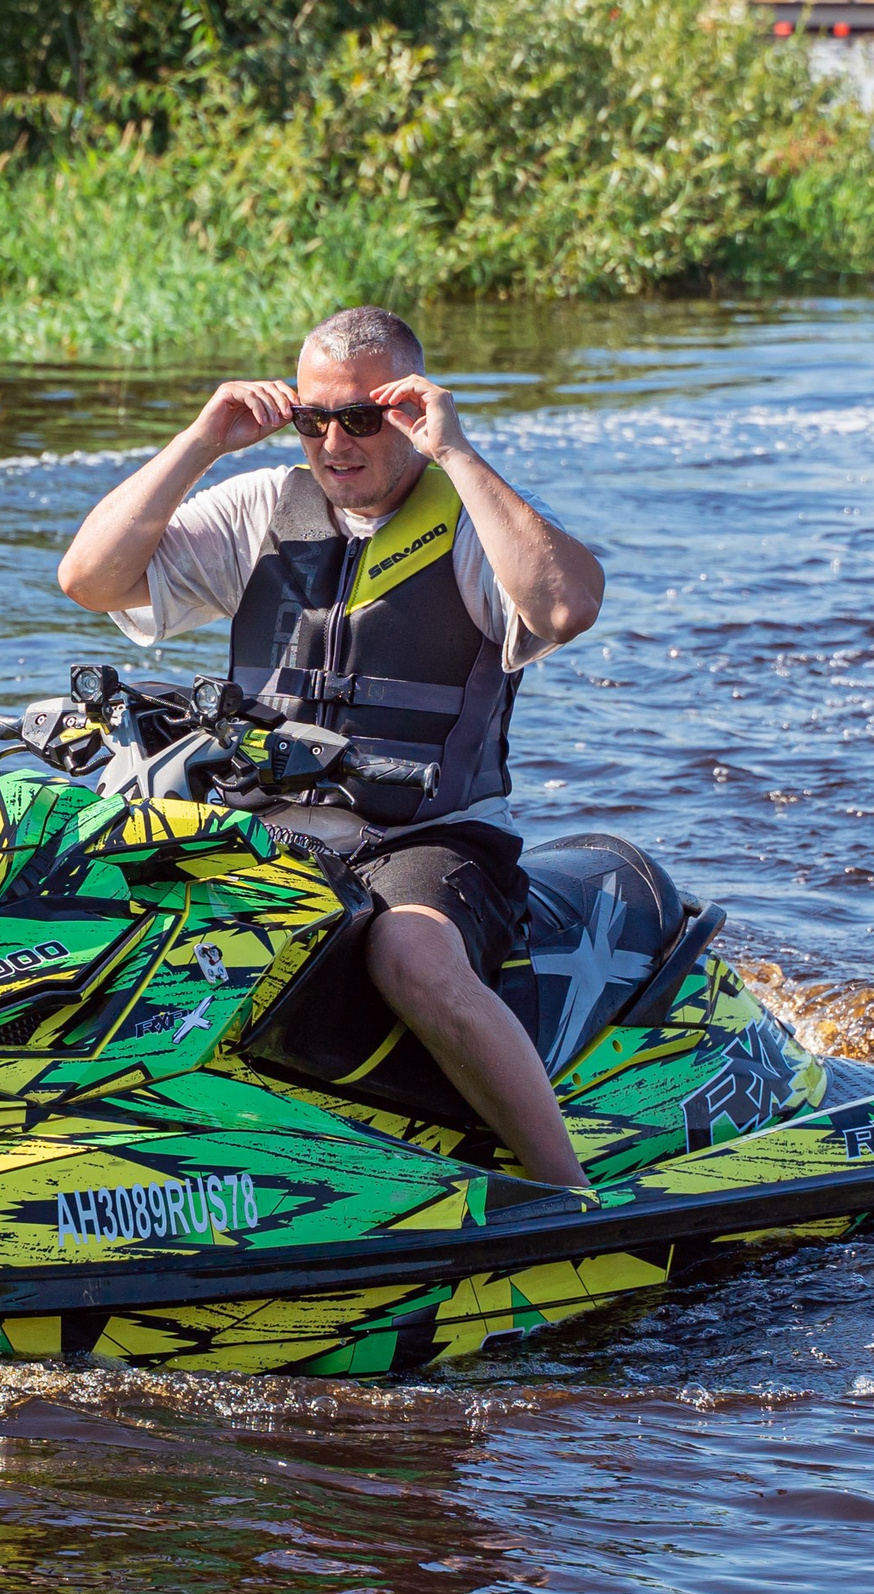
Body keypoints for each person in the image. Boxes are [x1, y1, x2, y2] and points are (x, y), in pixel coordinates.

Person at [54, 307, 605, 1189]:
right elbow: (90, 578)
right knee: (107, 903)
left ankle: (564, 1188)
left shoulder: (470, 520)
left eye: (362, 416)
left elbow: (565, 606)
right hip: (264, 824)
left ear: (412, 412)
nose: (334, 442)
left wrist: (455, 453)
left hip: (426, 837)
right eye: (314, 419)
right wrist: (203, 439)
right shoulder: (264, 506)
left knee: (408, 955)